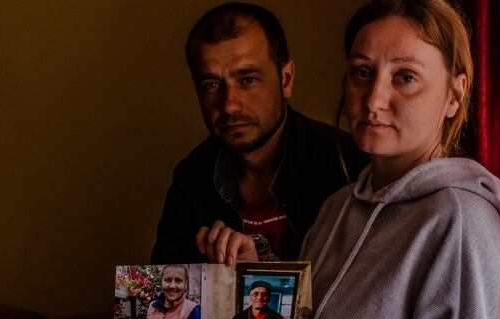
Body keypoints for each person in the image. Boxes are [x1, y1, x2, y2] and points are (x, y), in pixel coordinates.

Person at [170, 0, 500, 319]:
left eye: (405, 77)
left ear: (454, 94)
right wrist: (258, 274)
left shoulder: (461, 227)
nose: (373, 99)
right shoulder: (338, 209)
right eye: (362, 73)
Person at [151, 2, 367, 265]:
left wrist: (258, 272)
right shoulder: (191, 177)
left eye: (247, 80)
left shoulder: (348, 166)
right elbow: (160, 297)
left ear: (286, 80)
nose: (229, 103)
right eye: (211, 84)